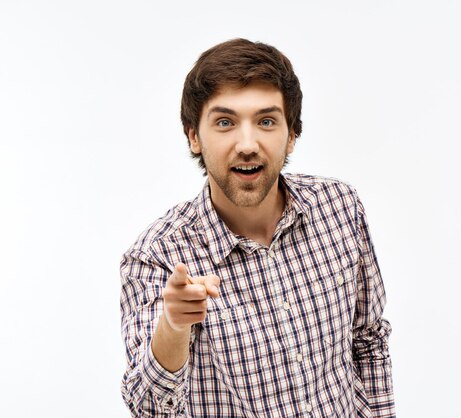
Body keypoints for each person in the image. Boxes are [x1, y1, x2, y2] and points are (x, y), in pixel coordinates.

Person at [120, 38, 395, 417]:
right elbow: (148, 407)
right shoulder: (155, 257)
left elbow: (367, 340)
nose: (247, 144)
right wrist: (173, 324)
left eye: (266, 121)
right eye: (225, 122)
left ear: (292, 135)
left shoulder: (340, 207)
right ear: (194, 136)